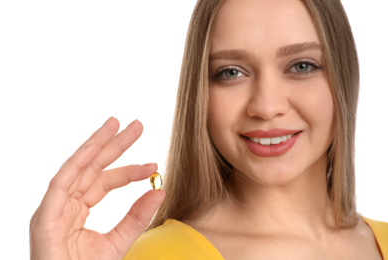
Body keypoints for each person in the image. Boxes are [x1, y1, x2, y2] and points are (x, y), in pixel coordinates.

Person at [30, 0, 388, 259]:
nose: (265, 106)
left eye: (302, 65)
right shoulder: (163, 255)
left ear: (344, 76)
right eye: (231, 72)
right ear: (199, 94)